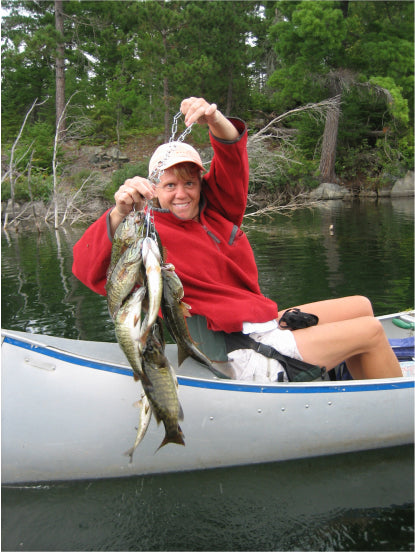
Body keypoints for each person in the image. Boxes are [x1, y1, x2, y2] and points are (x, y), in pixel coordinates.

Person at [72, 96, 402, 382]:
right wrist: (116, 214)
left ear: (201, 184)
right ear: (154, 190)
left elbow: (232, 156)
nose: (181, 193)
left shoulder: (220, 213)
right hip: (240, 354)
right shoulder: (145, 237)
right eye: (170, 185)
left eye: (189, 182)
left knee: (363, 307)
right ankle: (393, 405)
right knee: (371, 333)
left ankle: (360, 373)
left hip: (261, 324)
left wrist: (213, 117)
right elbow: (89, 271)